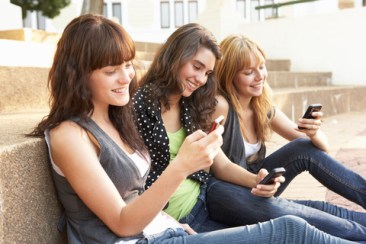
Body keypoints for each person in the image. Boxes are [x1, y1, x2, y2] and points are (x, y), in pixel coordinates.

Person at [27, 14, 352, 244]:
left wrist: (171, 223)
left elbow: (135, 193)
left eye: (128, 66)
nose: (126, 77)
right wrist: (183, 164)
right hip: (139, 236)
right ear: (78, 75)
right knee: (291, 228)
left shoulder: (117, 117)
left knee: (301, 216)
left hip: (168, 225)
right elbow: (123, 222)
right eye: (112, 70)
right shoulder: (71, 134)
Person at [132, 23, 366, 242]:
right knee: (296, 222)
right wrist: (165, 222)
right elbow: (132, 186)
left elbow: (219, 162)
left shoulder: (191, 103)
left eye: (206, 72)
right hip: (212, 197)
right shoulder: (197, 104)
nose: (201, 79)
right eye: (197, 67)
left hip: (217, 192)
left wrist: (311, 135)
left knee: (304, 205)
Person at [206, 33, 366, 241]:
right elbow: (220, 167)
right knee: (309, 213)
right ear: (230, 76)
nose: (259, 76)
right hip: (227, 193)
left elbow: (317, 150)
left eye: (261, 67)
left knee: (303, 148)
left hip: (259, 185)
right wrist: (257, 180)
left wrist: (314, 132)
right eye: (248, 72)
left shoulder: (261, 105)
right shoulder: (221, 106)